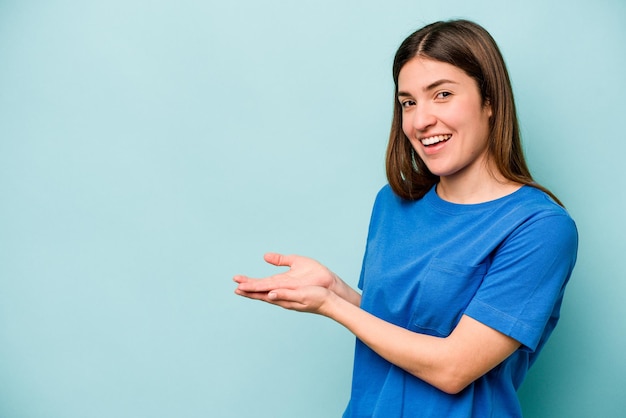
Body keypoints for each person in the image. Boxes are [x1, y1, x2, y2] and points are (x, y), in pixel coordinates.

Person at [233, 19, 578, 417]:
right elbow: (402, 324)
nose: (419, 121)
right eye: (408, 102)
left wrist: (331, 305)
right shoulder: (392, 204)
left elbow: (455, 367)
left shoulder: (539, 228)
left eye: (442, 94)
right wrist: (339, 289)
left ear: (490, 102)